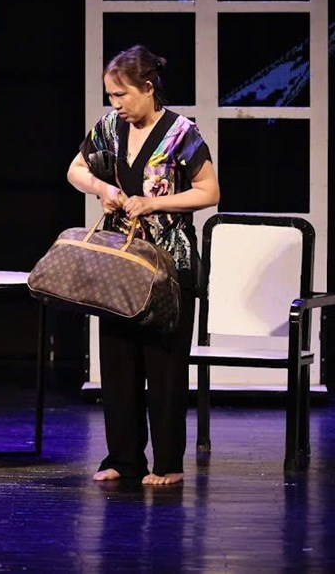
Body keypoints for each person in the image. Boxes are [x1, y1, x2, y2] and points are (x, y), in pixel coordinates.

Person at [67, 44, 220, 486]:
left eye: (122, 95)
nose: (115, 103)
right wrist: (102, 188)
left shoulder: (181, 133)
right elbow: (75, 169)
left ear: (148, 88)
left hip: (168, 265)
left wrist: (154, 203)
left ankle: (168, 464)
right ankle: (124, 459)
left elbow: (209, 191)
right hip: (121, 260)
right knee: (118, 361)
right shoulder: (109, 128)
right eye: (110, 96)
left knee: (164, 364)